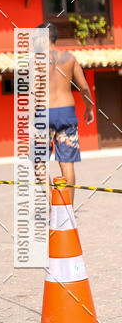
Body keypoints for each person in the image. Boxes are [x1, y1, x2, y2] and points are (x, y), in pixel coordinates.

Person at [38, 21, 94, 194]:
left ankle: (50, 209)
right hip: (65, 113)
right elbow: (84, 87)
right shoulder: (69, 58)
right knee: (67, 163)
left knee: (40, 162)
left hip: (43, 113)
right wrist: (89, 108)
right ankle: (66, 211)